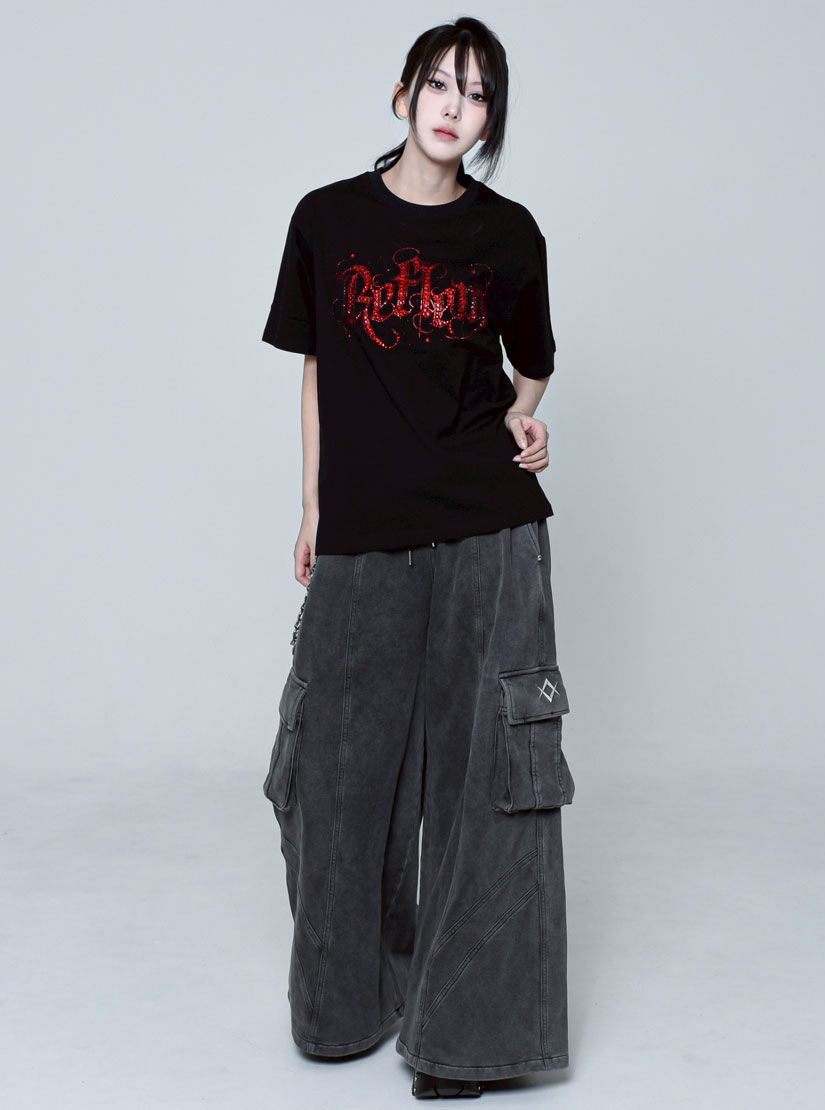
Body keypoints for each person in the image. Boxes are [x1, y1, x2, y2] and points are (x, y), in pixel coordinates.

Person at [260, 16, 575, 1100]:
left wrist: (523, 423)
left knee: (490, 784)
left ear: (490, 120)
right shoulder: (328, 220)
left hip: (491, 533)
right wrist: (313, 507)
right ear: (403, 95)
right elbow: (314, 371)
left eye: (478, 95)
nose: (454, 106)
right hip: (364, 531)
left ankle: (469, 1041)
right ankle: (349, 1003)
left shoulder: (509, 234)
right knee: (338, 777)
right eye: (440, 84)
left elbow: (532, 366)